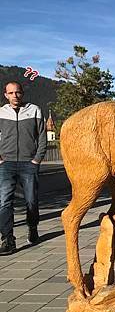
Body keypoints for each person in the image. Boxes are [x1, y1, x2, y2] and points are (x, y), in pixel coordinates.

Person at [0, 81, 47, 255]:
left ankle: (32, 227)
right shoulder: (1, 112)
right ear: (6, 95)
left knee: (31, 200)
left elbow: (42, 136)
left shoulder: (34, 110)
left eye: (17, 92)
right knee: (4, 201)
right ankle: (7, 239)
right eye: (11, 93)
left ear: (22, 93)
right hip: (6, 164)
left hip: (29, 163)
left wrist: (37, 159)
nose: (15, 96)